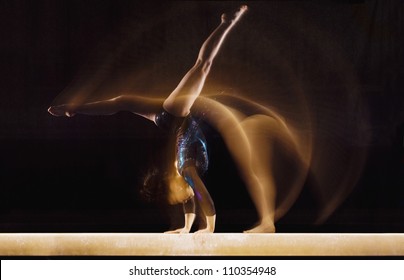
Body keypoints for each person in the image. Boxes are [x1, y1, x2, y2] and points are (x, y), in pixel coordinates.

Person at [49, 5, 251, 233]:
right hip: (170, 120)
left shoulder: (184, 170)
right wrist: (186, 229)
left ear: (169, 185)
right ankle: (74, 110)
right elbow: (193, 196)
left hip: (174, 116)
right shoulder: (184, 173)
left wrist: (209, 228)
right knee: (121, 101)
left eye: (172, 199)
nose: (180, 200)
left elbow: (202, 197)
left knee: (202, 66)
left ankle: (227, 23)